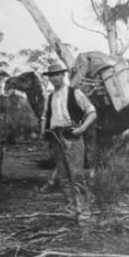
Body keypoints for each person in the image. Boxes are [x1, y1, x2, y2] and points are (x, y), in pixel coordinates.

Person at [40, 63, 96, 222]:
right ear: (49, 78)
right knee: (63, 177)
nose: (54, 78)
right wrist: (43, 131)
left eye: (57, 74)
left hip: (72, 135)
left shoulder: (74, 93)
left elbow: (91, 112)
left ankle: (84, 213)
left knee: (77, 176)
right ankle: (71, 211)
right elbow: (45, 116)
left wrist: (82, 129)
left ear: (63, 75)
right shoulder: (49, 97)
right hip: (56, 137)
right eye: (51, 75)